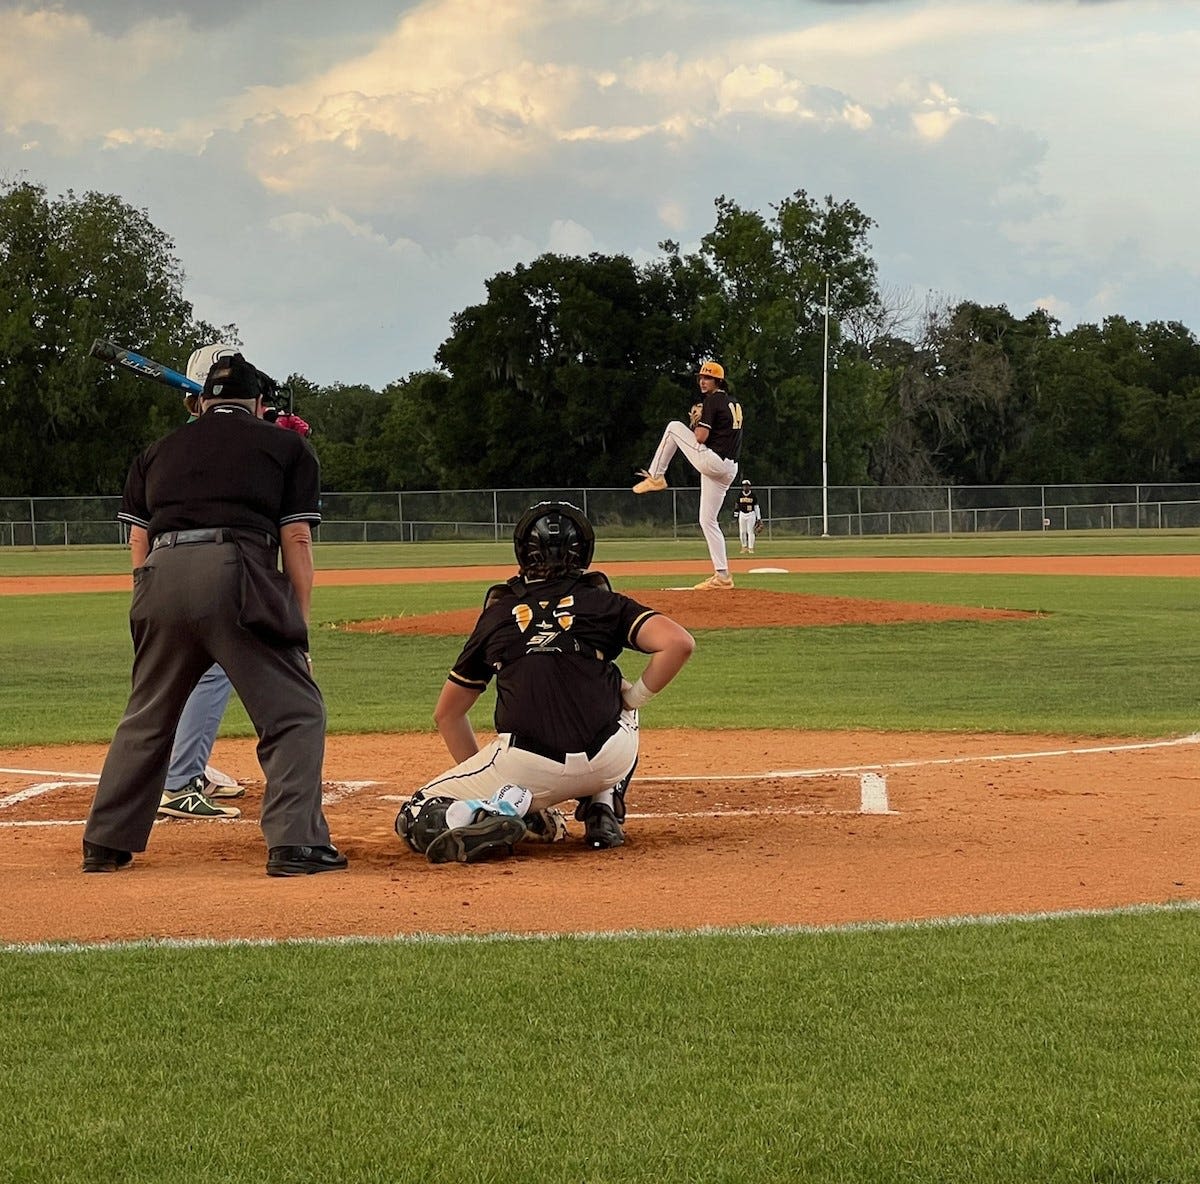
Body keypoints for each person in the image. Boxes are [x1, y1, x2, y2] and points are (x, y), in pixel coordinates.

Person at [81, 352, 346, 877]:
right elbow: (295, 536)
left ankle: (105, 842)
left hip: (158, 577)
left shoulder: (158, 451)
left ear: (202, 401)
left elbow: (139, 539)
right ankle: (296, 845)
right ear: (259, 403)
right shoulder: (287, 445)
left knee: (149, 714)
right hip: (234, 570)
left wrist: (147, 593)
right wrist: (299, 631)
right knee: (296, 713)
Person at [394, 501, 695, 865]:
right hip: (610, 757)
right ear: (583, 551)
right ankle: (604, 808)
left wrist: (496, 782)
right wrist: (634, 697)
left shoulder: (498, 614)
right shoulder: (602, 601)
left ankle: (478, 812)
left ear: (523, 552)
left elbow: (448, 715)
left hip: (527, 767)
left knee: (413, 813)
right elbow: (678, 643)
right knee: (619, 691)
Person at [158, 343, 313, 821]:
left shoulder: (196, 434)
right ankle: (180, 778)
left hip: (178, 575)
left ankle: (187, 770)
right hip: (226, 568)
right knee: (217, 670)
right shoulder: (203, 436)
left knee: (195, 674)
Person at [632, 359, 743, 589]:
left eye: (708, 378)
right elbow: (724, 433)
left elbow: (701, 437)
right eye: (701, 377)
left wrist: (698, 425)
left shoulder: (713, 400)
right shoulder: (733, 402)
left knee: (673, 427)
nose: (703, 381)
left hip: (713, 461)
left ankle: (656, 475)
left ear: (718, 381)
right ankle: (723, 576)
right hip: (729, 468)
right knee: (707, 520)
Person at [734, 478, 762, 555]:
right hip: (742, 514)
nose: (745, 487)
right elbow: (737, 504)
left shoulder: (753, 495)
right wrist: (736, 515)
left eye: (747, 486)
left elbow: (756, 507)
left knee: (750, 532)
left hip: (751, 514)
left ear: (749, 487)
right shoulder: (740, 494)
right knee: (742, 532)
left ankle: (750, 548)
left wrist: (758, 518)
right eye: (744, 486)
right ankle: (744, 547)